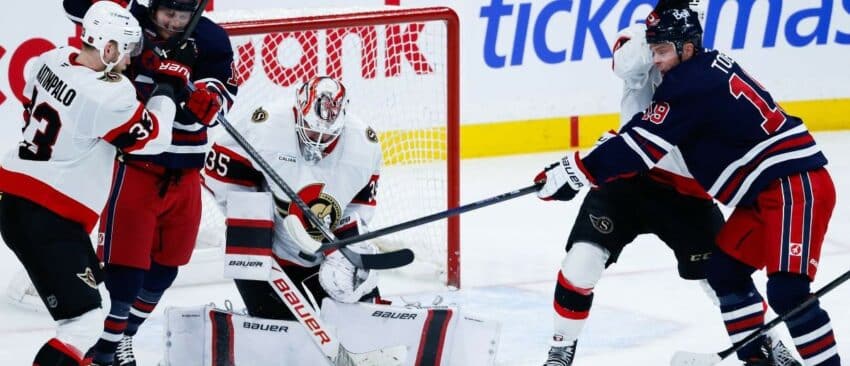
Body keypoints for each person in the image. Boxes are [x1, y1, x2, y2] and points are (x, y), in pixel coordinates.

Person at [535, 6, 839, 366]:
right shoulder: (675, 55)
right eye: (655, 50)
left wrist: (575, 169)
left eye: (662, 51)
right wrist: (661, 31)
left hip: (785, 186)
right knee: (724, 273)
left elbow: (640, 145)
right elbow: (624, 64)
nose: (656, 59)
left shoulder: (689, 83)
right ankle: (758, 359)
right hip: (663, 187)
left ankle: (784, 351)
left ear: (688, 46)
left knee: (787, 292)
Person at [0, 2, 180, 365]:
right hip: (48, 218)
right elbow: (156, 138)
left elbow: (36, 107)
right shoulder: (110, 96)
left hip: (18, 200)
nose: (128, 61)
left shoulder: (52, 59)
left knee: (101, 309)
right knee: (82, 326)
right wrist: (166, 88)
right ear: (108, 48)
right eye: (125, 51)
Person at [63, 1, 237, 365]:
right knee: (125, 269)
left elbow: (213, 106)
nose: (172, 22)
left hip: (186, 173)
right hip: (135, 166)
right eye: (166, 13)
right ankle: (104, 351)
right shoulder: (130, 22)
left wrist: (195, 91)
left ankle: (123, 337)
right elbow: (75, 5)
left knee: (166, 268)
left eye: (181, 16)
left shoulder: (212, 40)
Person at [202, 75, 384, 321]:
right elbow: (219, 174)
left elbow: (359, 205)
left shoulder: (364, 146)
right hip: (267, 248)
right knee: (280, 329)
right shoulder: (265, 126)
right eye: (311, 129)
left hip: (325, 253)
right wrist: (256, 220)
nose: (317, 140)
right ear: (298, 111)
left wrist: (347, 245)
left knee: (363, 320)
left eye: (327, 135)